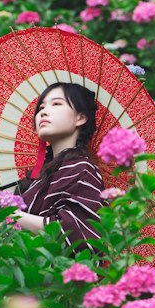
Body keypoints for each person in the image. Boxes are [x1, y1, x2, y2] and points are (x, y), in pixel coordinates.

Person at [7, 81, 105, 252]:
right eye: (41, 107)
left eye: (57, 104)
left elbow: (78, 234)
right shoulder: (37, 180)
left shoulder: (83, 169)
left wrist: (4, 213)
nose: (43, 111)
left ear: (80, 118)